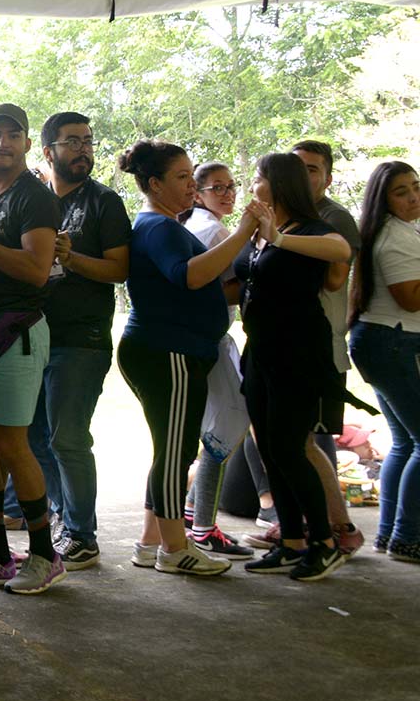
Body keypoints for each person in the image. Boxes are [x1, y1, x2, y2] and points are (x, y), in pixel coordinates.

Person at [117, 142, 257, 578]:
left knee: (170, 450)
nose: (191, 186)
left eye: (191, 175)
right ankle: (176, 549)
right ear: (154, 184)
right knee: (176, 454)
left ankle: (151, 541)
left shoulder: (165, 225)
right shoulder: (157, 228)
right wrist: (242, 234)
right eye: (182, 177)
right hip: (167, 352)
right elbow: (191, 275)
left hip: (171, 350)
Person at [234, 153, 353, 581]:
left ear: (279, 184)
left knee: (289, 448)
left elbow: (340, 251)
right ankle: (291, 543)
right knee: (270, 450)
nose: (252, 185)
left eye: (259, 178)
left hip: (298, 356)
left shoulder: (312, 230)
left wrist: (278, 240)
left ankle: (324, 541)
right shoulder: (264, 232)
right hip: (261, 354)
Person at [0, 104, 65, 594]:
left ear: (26, 144)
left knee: (11, 443)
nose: (3, 142)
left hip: (18, 330)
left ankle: (45, 555)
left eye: (13, 134)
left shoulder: (34, 198)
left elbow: (36, 270)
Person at [25, 112, 131, 570]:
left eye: (88, 141)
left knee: (68, 437)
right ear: (48, 152)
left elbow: (119, 269)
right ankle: (60, 519)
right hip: (28, 334)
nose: (83, 149)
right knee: (33, 439)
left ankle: (82, 536)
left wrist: (73, 257)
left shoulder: (104, 202)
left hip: (82, 338)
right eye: (72, 142)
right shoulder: (30, 200)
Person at [178, 163, 256, 560]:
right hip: (206, 339)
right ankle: (203, 526)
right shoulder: (212, 231)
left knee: (216, 427)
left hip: (201, 339)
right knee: (224, 429)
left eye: (231, 186)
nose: (227, 194)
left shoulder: (199, 225)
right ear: (197, 192)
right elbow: (212, 291)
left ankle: (195, 509)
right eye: (217, 187)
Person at [291, 140, 366, 554]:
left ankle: (341, 528)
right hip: (286, 349)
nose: (303, 177)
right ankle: (300, 522)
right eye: (296, 168)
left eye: (313, 169)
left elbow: (335, 279)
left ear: (328, 177)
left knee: (306, 443)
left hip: (320, 350)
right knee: (285, 442)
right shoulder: (293, 216)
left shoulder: (334, 217)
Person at [348, 161, 420, 561]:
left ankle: (392, 533)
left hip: (383, 341)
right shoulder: (395, 238)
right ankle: (407, 538)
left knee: (406, 442)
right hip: (391, 342)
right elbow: (409, 296)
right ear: (383, 198)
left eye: (416, 187)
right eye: (401, 191)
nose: (413, 197)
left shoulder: (402, 231)